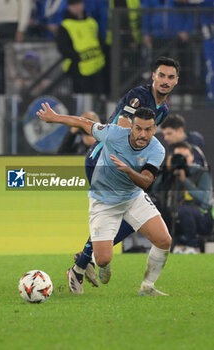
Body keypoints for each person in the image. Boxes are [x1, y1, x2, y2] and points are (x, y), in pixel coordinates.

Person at [65, 56, 179, 291]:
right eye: (162, 75)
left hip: (127, 163)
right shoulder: (140, 96)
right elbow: (125, 125)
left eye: (171, 77)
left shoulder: (163, 109)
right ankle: (88, 259)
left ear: (176, 80)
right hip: (102, 159)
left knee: (131, 209)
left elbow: (146, 139)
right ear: (153, 77)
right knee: (122, 206)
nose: (165, 81)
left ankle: (85, 261)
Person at [37, 103, 172, 296]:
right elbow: (84, 123)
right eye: (138, 128)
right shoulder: (113, 133)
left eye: (148, 129)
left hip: (133, 198)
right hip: (104, 202)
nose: (143, 134)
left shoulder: (157, 149)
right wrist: (55, 117)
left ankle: (147, 287)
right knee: (102, 259)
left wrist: (127, 170)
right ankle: (96, 265)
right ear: (131, 127)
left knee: (164, 240)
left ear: (155, 129)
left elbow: (146, 182)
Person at [153, 141, 213, 254]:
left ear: (192, 157)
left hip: (201, 217)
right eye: (178, 157)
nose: (182, 160)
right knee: (156, 208)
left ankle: (192, 245)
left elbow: (205, 199)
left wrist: (185, 181)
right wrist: (166, 171)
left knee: (184, 210)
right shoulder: (171, 174)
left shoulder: (201, 173)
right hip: (175, 216)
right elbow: (155, 191)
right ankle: (163, 246)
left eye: (185, 156)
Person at [55, 0, 106, 94]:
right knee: (82, 97)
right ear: (68, 7)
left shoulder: (92, 22)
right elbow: (63, 47)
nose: (77, 7)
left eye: (78, 4)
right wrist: (78, 58)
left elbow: (100, 41)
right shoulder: (65, 25)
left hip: (97, 66)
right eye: (73, 5)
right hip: (78, 69)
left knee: (98, 96)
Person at [0, 0, 32, 94]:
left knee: (16, 64)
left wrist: (21, 28)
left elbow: (25, 5)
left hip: (14, 26)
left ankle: (18, 94)